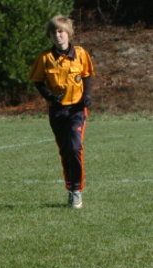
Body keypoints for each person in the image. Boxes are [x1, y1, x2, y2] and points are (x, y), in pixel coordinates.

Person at [28, 15, 95, 209]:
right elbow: (37, 81)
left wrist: (87, 96)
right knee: (66, 151)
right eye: (53, 32)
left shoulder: (81, 53)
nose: (58, 35)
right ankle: (71, 188)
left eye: (61, 31)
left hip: (77, 110)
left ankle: (77, 191)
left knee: (75, 148)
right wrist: (49, 96)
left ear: (69, 33)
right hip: (57, 112)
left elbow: (87, 76)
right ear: (49, 35)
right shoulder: (45, 58)